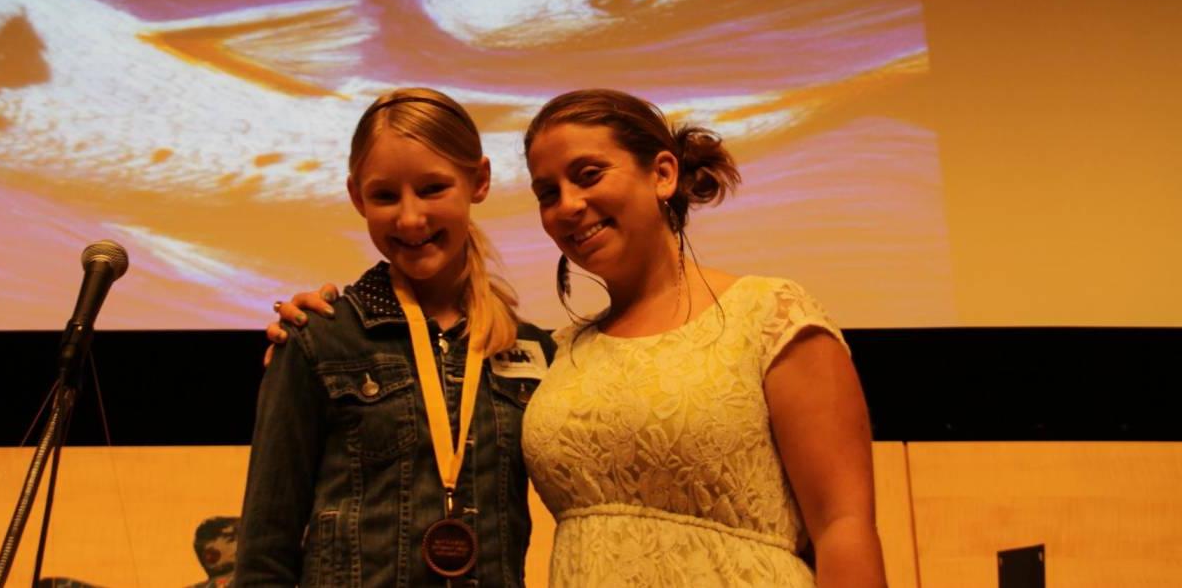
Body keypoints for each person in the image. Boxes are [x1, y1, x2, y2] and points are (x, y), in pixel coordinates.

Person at [271, 89, 886, 587]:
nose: (569, 205)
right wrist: (314, 322)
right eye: (547, 192)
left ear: (664, 173)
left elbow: (844, 525)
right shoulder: (557, 353)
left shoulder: (768, 313)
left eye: (588, 175)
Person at [234, 88, 555, 588]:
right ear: (357, 197)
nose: (409, 218)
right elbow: (264, 553)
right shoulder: (318, 340)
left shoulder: (535, 352)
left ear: (480, 180)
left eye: (432, 189)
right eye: (385, 195)